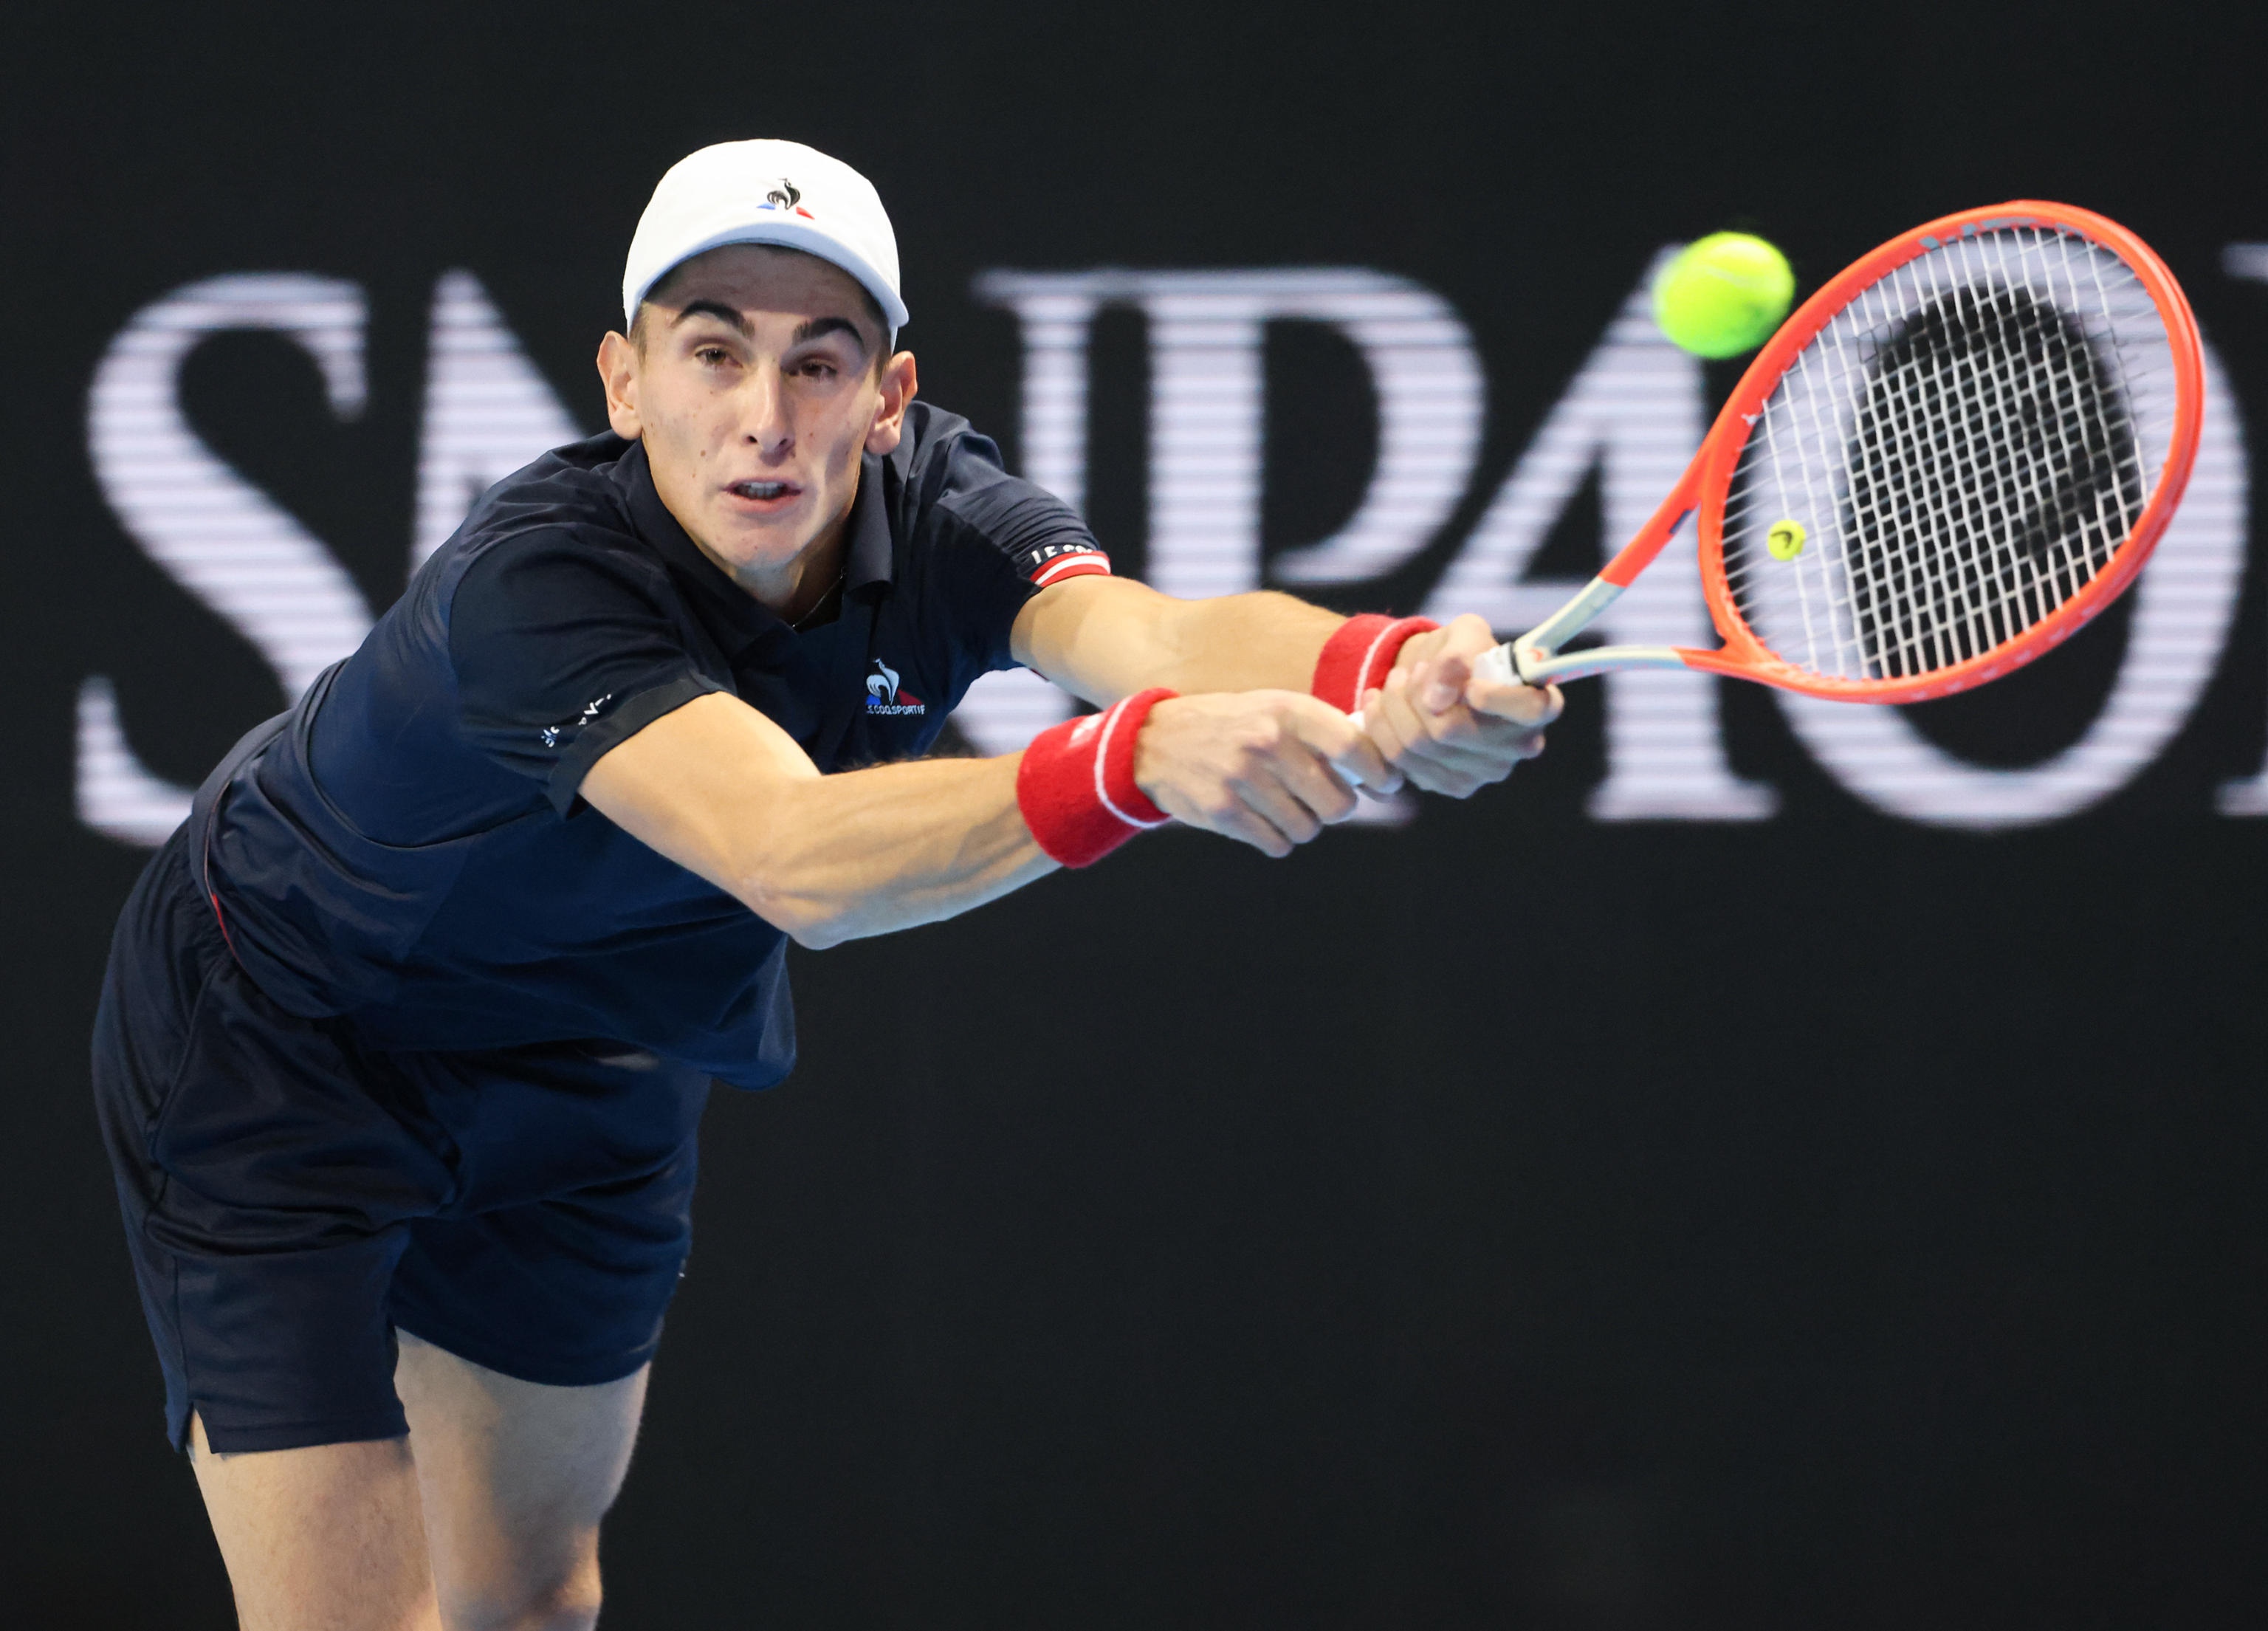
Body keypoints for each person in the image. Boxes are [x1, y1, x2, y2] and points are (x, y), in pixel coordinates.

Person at [92, 139, 1561, 1630]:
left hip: (599, 1072)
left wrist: (1392, 663)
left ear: (888, 396)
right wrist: (1125, 767)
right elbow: (790, 853)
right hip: (286, 1045)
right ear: (623, 381)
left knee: (531, 1601)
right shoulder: (531, 589)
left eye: (817, 362)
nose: (765, 416)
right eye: (713, 353)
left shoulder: (945, 514)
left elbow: (1164, 642)